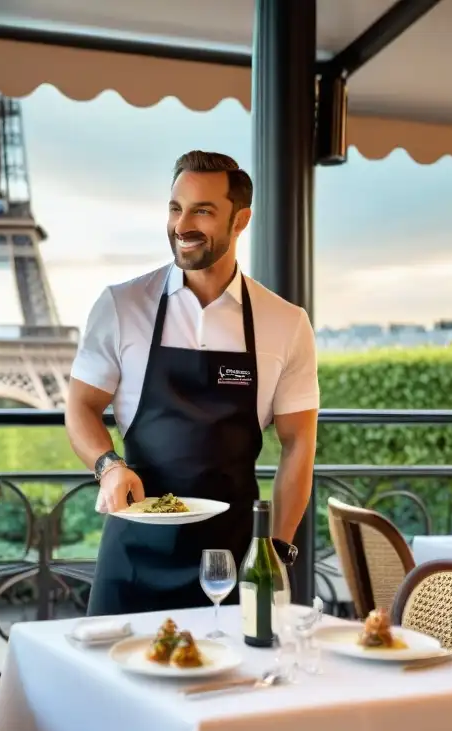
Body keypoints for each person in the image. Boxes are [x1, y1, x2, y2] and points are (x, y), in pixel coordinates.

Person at [65, 150, 319, 617]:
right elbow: (80, 406)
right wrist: (109, 467)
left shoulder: (285, 323)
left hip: (233, 557)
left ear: (240, 220)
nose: (182, 226)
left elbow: (299, 442)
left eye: (202, 211)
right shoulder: (122, 305)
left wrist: (278, 550)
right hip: (133, 554)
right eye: (175, 208)